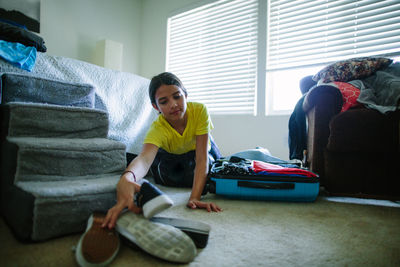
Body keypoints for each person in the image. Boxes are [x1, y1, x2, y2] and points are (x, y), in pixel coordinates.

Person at [103, 72, 222, 229]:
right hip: (174, 157)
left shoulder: (200, 110)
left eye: (177, 97)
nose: (173, 104)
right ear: (155, 106)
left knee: (213, 172)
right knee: (166, 173)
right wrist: (127, 178)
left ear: (185, 95)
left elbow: (202, 159)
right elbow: (145, 159)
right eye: (164, 102)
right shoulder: (158, 128)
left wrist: (194, 198)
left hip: (200, 152)